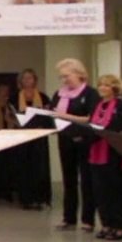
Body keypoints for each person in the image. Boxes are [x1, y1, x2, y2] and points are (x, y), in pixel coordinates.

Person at [49, 58, 101, 231]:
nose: (64, 80)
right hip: (65, 140)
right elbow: (53, 112)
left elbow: (91, 118)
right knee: (68, 180)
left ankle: (88, 220)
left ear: (79, 74)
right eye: (61, 77)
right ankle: (68, 218)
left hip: (84, 140)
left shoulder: (90, 93)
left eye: (67, 76)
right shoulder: (60, 93)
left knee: (87, 180)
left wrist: (65, 116)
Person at [86, 75, 122, 240]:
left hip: (113, 153)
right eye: (100, 85)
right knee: (100, 191)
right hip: (96, 151)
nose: (102, 88)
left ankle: (119, 226)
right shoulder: (97, 105)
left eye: (106, 85)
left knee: (115, 191)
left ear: (114, 88)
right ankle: (106, 224)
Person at [13, 68, 53, 210]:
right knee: (25, 167)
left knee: (40, 167)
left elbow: (49, 115)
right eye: (25, 78)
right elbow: (11, 116)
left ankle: (41, 198)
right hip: (22, 136)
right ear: (21, 81)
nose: (28, 81)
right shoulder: (15, 97)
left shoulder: (43, 97)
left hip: (39, 135)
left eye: (30, 78)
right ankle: (26, 199)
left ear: (35, 80)